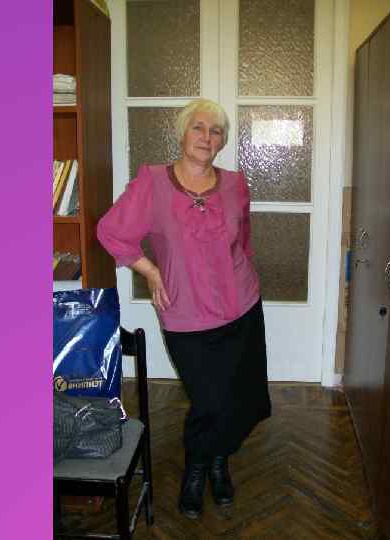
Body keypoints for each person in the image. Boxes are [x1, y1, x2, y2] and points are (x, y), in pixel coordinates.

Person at [97, 98, 271, 520]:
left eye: (216, 131)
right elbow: (111, 231)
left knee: (239, 398)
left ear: (222, 142)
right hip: (186, 314)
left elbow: (244, 243)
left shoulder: (235, 184)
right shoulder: (153, 182)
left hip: (242, 307)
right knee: (207, 399)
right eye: (198, 127)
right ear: (182, 133)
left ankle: (219, 461)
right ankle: (196, 467)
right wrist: (150, 271)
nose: (206, 137)